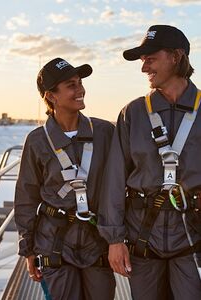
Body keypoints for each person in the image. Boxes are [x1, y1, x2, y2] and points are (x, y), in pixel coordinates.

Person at [98, 24, 201, 300]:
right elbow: (114, 180)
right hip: (143, 239)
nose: (144, 68)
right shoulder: (132, 113)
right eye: (142, 61)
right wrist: (114, 240)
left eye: (150, 59)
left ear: (176, 56)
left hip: (192, 239)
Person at [14, 57, 116, 299]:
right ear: (51, 96)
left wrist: (117, 238)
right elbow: (26, 197)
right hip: (54, 243)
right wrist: (27, 250)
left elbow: (119, 185)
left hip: (97, 241)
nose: (80, 89)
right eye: (71, 85)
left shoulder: (104, 132)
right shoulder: (37, 141)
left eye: (80, 82)